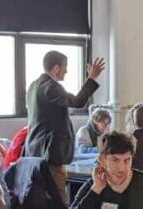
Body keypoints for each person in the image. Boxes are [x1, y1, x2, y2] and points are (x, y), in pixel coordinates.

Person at [25, 51, 105, 200]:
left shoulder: (34, 86)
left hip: (35, 152)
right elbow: (77, 102)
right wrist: (92, 78)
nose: (66, 71)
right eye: (65, 67)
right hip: (50, 154)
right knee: (57, 197)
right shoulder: (51, 86)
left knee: (42, 197)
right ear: (56, 68)